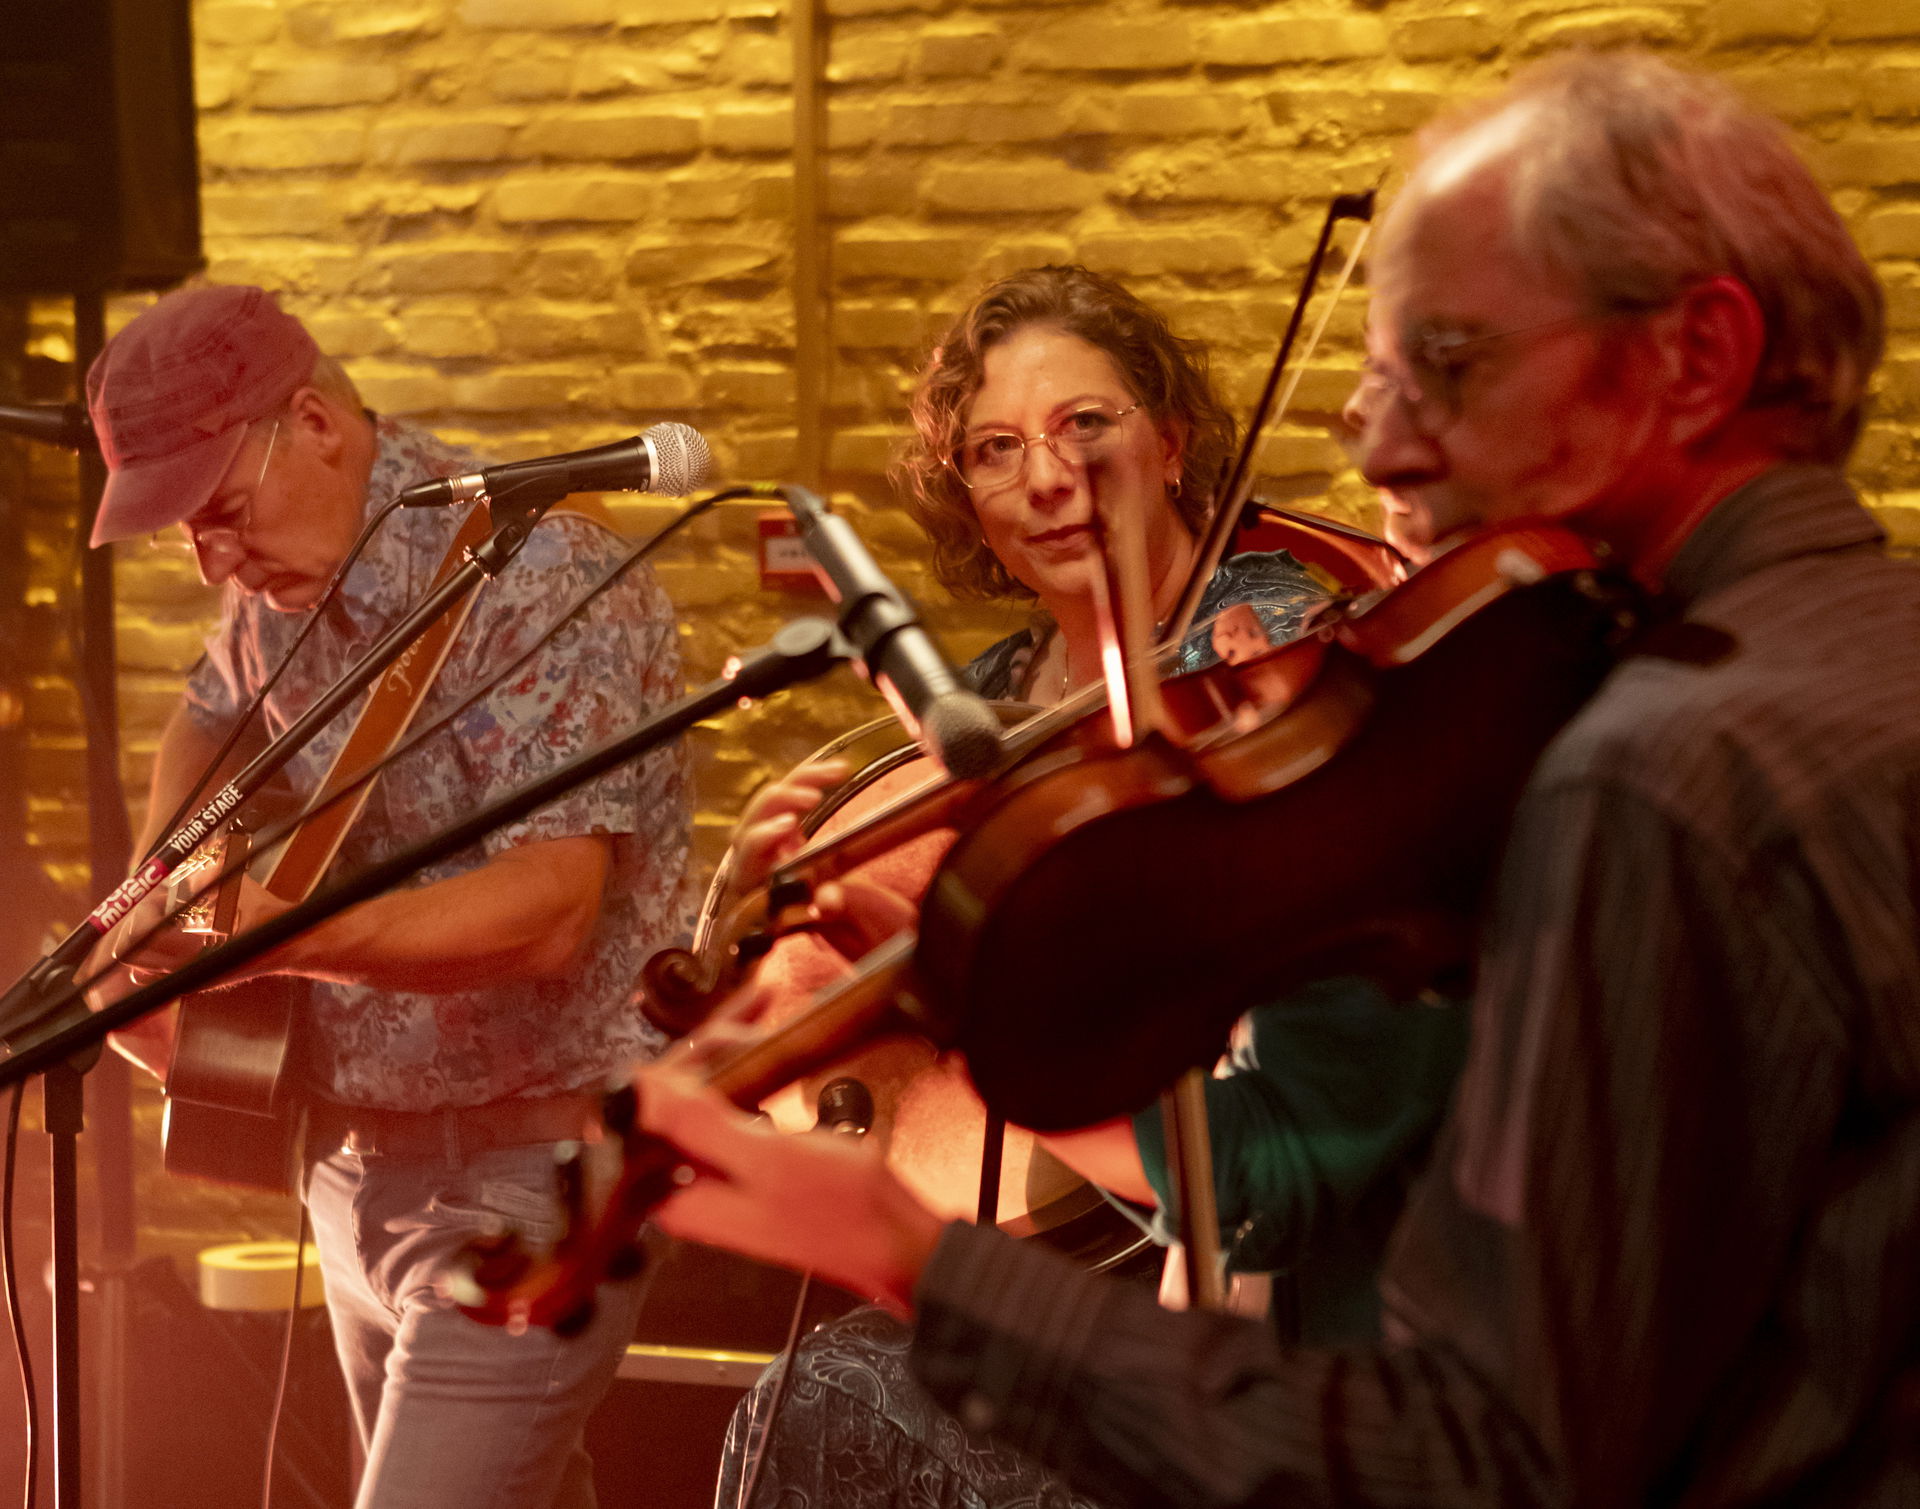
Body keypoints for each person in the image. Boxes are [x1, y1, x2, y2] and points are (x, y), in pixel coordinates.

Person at [635, 53, 1919, 1507]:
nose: (1370, 440)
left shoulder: (1648, 774)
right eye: (1375, 374)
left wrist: (908, 1254)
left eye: (1447, 361)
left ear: (1695, 358)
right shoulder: (1814, 661)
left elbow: (1468, 1455)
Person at [702, 266, 1465, 1509]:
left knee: (839, 1399)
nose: (1046, 480)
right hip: (1026, 1236)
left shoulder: (1267, 640)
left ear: (1170, 442)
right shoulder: (993, 690)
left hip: (1215, 1234)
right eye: (995, 450)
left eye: (1085, 427)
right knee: (800, 1396)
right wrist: (768, 892)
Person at [85, 284, 692, 1509]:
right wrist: (160, 890)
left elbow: (549, 911)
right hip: (347, 1168)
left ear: (311, 422)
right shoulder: (278, 588)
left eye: (221, 513)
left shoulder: (547, 576)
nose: (216, 561)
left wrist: (278, 942)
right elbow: (206, 719)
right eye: (184, 536)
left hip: (533, 1174)